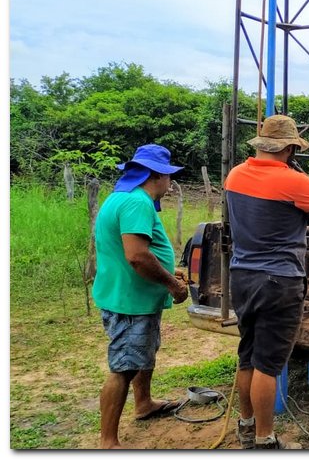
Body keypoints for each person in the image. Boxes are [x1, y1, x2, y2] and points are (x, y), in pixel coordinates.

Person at [224, 115, 309, 449]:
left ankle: (246, 425)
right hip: (279, 281)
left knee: (248, 355)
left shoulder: (234, 176)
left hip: (242, 277)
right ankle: (265, 440)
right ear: (291, 148)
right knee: (267, 363)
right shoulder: (295, 182)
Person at [93, 144, 189, 449]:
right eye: (168, 176)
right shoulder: (137, 203)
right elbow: (137, 256)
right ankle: (108, 441)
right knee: (124, 367)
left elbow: (142, 253)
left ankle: (144, 403)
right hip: (129, 300)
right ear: (156, 175)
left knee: (142, 353)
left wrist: (172, 273)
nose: (170, 183)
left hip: (130, 295)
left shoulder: (121, 197)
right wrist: (173, 284)